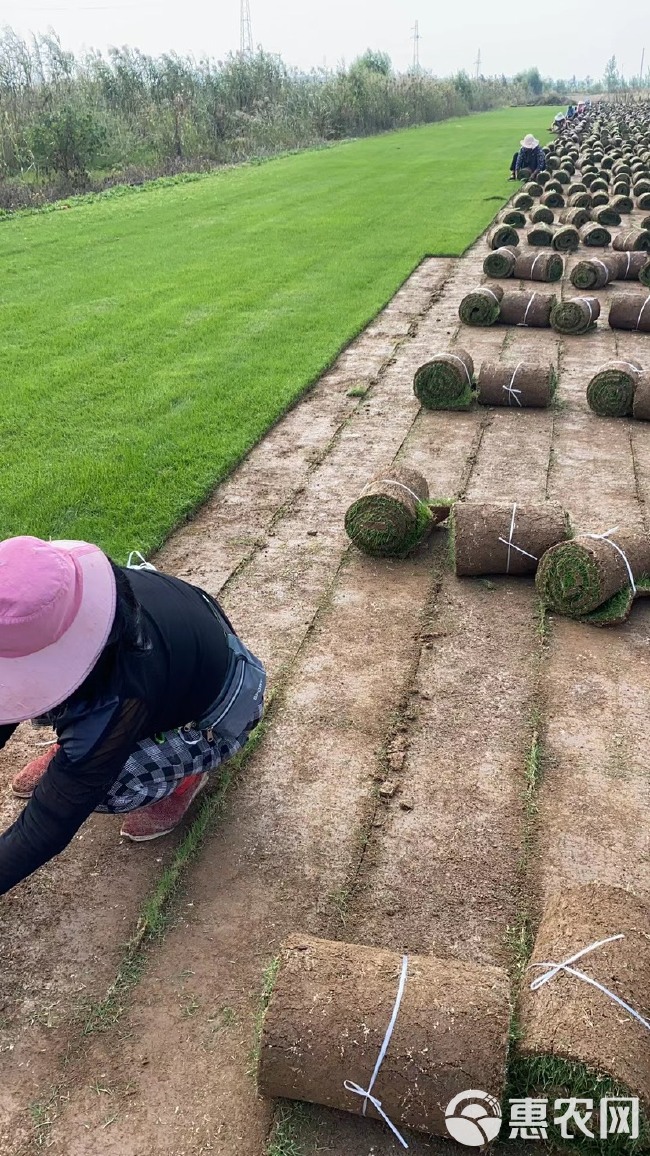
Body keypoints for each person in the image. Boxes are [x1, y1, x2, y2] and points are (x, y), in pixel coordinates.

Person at [0, 536, 266, 894]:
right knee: (84, 740)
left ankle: (186, 776)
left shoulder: (119, 695)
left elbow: (49, 821)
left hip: (220, 704)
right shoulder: (67, 596)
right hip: (184, 650)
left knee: (99, 786)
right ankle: (81, 749)